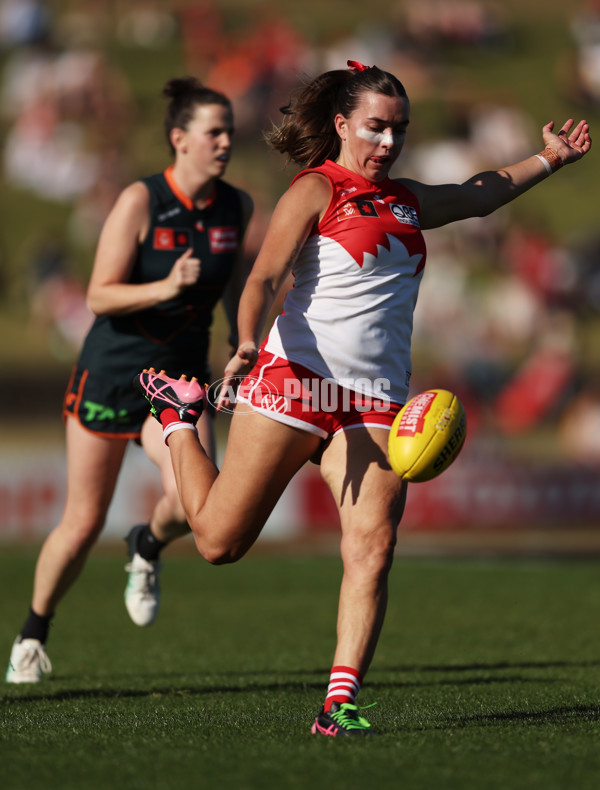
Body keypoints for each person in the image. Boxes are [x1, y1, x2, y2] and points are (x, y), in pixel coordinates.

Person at [139, 61, 590, 737]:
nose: (388, 142)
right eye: (376, 127)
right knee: (218, 544)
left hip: (375, 403)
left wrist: (550, 158)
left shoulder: (406, 199)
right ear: (344, 124)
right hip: (293, 386)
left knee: (372, 546)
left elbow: (477, 194)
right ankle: (179, 419)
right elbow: (264, 276)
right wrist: (242, 342)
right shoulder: (317, 189)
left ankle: (338, 704)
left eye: (399, 129)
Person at [5, 76, 254, 683]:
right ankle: (34, 632)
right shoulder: (140, 201)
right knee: (83, 521)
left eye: (228, 131)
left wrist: (243, 341)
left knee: (200, 510)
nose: (224, 141)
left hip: (180, 378)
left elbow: (238, 288)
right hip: (113, 372)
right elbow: (98, 293)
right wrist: (166, 286)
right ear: (179, 139)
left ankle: (146, 545)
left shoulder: (237, 206)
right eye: (212, 131)